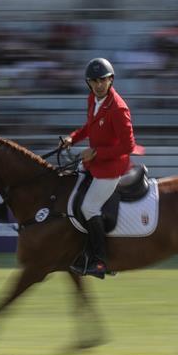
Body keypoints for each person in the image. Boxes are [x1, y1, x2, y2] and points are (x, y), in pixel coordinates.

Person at [62, 58, 140, 278]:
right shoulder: (93, 98)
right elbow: (90, 126)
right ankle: (82, 250)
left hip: (113, 167)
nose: (98, 85)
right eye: (94, 81)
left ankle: (101, 261)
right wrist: (72, 138)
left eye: (103, 80)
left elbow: (129, 146)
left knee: (89, 208)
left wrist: (96, 153)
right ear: (89, 83)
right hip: (95, 162)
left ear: (111, 80)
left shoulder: (118, 108)